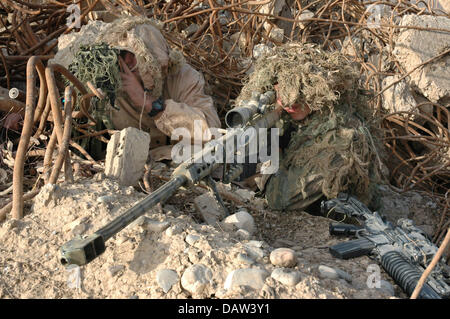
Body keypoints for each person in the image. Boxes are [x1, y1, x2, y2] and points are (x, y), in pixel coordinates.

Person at [237, 43, 385, 211]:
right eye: (281, 91)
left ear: (322, 93)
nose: (289, 101)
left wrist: (274, 155)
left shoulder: (340, 138)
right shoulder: (293, 117)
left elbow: (280, 199)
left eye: (302, 92)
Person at [53, 16, 221, 159]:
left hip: (176, 159)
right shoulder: (107, 82)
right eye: (121, 56)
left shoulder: (183, 77)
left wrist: (151, 105)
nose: (127, 64)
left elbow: (212, 132)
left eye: (132, 57)